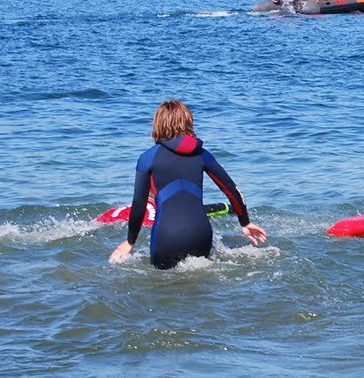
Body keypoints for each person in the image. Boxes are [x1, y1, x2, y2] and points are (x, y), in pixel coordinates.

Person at [110, 99, 267, 269]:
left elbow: (139, 204)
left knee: (163, 289)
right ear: (188, 122)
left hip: (166, 237)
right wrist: (245, 222)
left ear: (158, 124)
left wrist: (130, 241)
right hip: (201, 235)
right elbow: (231, 189)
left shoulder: (148, 158)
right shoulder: (202, 154)